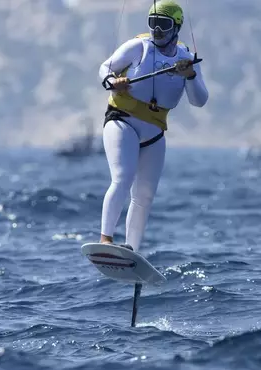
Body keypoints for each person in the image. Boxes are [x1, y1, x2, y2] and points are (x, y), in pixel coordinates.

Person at [97, 0, 209, 252]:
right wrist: (112, 81)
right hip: (121, 120)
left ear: (176, 27)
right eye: (153, 24)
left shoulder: (187, 59)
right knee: (123, 178)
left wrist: (189, 76)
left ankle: (131, 251)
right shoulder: (138, 46)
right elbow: (105, 67)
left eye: (163, 24)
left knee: (144, 195)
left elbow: (199, 101)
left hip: (155, 132)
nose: (157, 30)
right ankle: (106, 239)